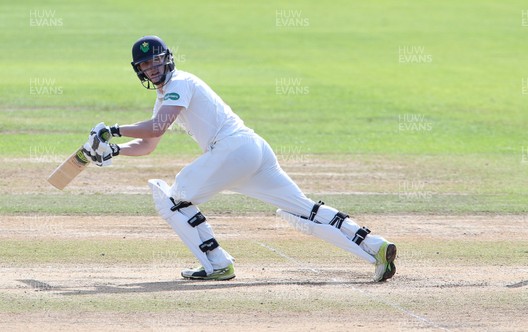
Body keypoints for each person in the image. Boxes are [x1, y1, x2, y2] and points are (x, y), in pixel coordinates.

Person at [84, 35, 396, 282]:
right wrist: (115, 150)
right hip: (251, 150)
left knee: (173, 197)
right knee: (303, 208)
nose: (151, 69)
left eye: (155, 61)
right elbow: (150, 142)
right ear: (139, 71)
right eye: (145, 66)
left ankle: (218, 264)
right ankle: (375, 246)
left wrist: (112, 130)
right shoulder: (166, 94)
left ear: (167, 59)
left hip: (233, 149)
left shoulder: (180, 84)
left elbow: (156, 126)